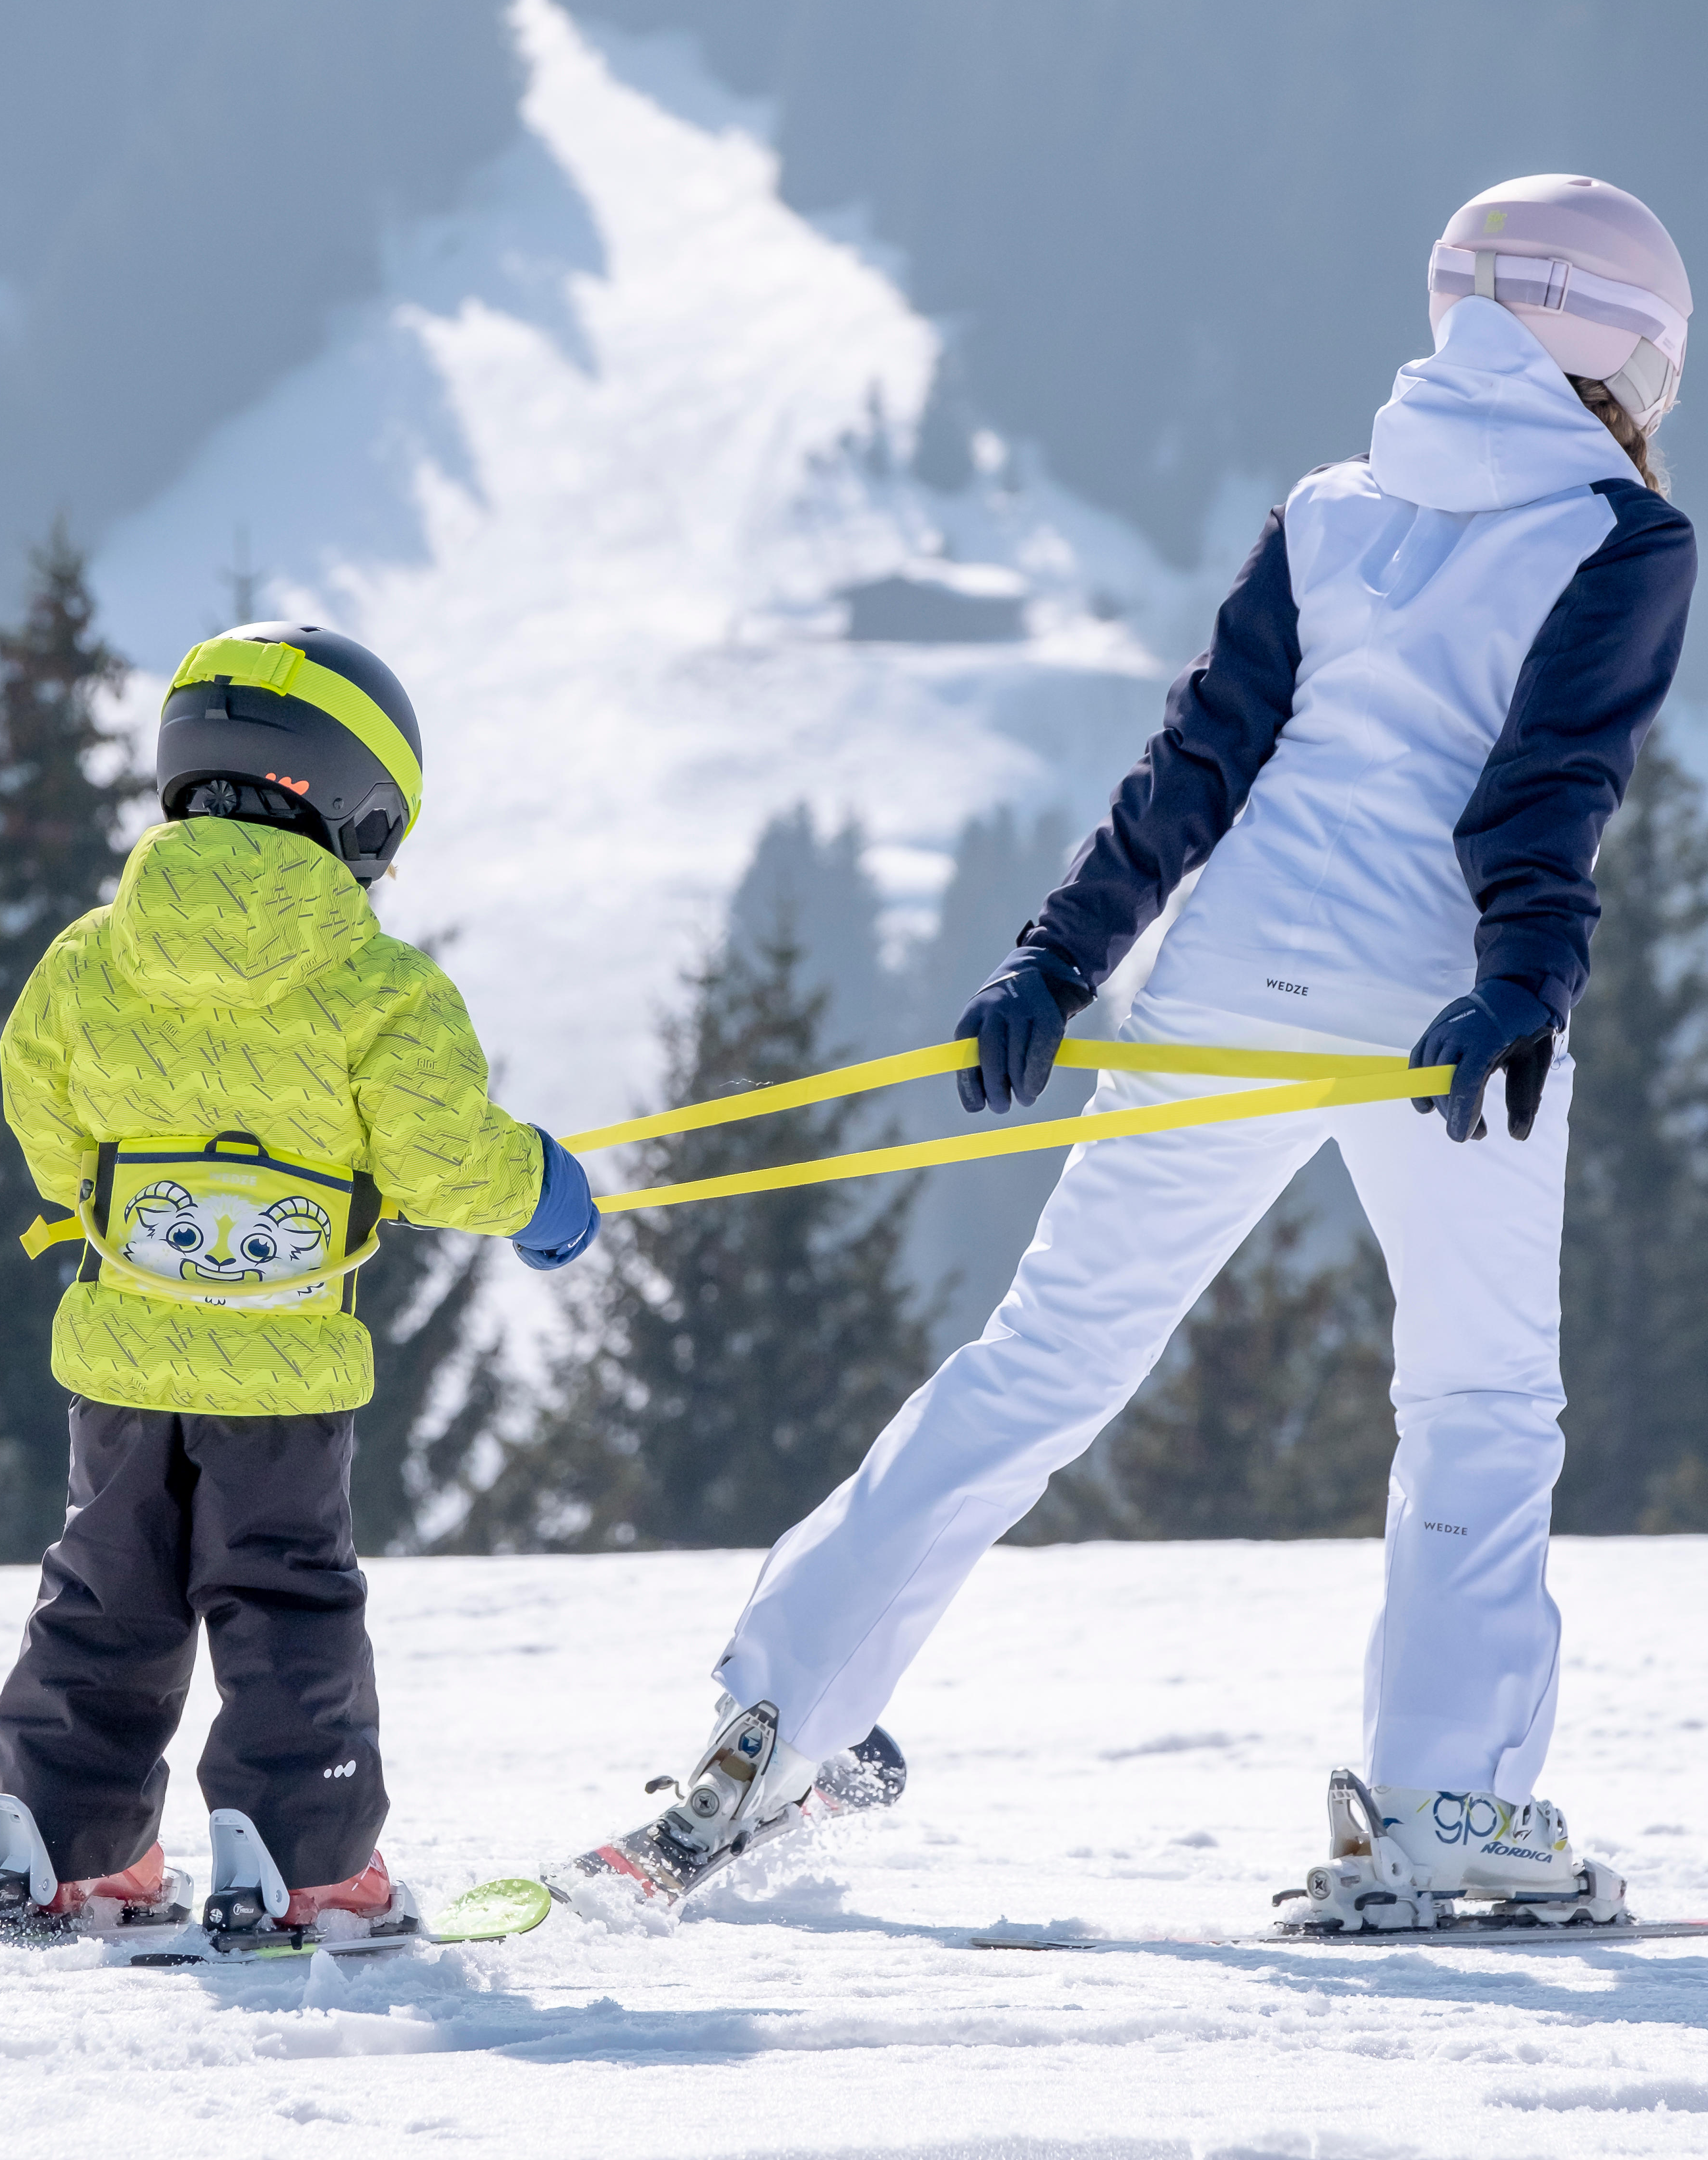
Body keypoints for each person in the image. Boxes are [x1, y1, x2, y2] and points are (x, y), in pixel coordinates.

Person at [607, 174, 1696, 1925]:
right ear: (1613, 348)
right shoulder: (1622, 535)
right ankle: (1448, 1805)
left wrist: (1060, 957)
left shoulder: (1336, 508)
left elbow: (1198, 758)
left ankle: (774, 1726)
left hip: (1230, 983)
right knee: (1480, 1403)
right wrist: (1525, 983)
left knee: (1043, 1359)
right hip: (1438, 1018)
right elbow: (1544, 790)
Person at [0, 622, 598, 1938]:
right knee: (282, 1597)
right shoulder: (380, 988)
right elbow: (440, 1156)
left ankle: (60, 1848)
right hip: (280, 1370)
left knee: (107, 1589)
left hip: (127, 1362)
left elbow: (46, 1130)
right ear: (359, 805)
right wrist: (537, 1187)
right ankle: (304, 1865)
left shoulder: (88, 962)